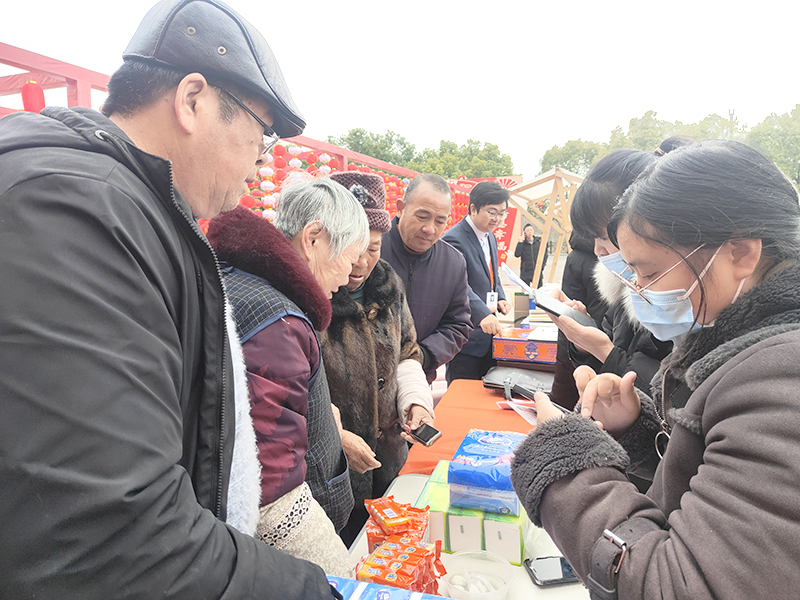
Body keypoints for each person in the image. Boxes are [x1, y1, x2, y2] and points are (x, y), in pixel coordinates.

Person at [0, 0, 341, 597]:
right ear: (192, 100)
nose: (261, 168)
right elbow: (109, 535)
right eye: (260, 137)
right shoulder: (74, 211)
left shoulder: (137, 209)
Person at [511, 139, 800, 599]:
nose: (639, 291)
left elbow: (677, 585)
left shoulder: (782, 380)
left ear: (742, 253)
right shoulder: (744, 348)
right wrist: (641, 430)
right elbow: (710, 487)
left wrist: (566, 462)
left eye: (649, 273)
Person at [207, 177, 367, 575]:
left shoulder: (237, 279)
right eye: (349, 259)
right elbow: (272, 494)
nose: (349, 278)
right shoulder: (275, 319)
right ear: (314, 239)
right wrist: (337, 577)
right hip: (285, 547)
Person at [320, 170, 436, 546]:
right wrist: (334, 438)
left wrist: (415, 401)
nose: (361, 262)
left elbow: (407, 351)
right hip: (332, 469)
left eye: (373, 248)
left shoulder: (388, 285)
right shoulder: (312, 293)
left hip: (388, 457)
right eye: (352, 249)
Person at [549, 147, 678, 402]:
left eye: (603, 236)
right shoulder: (623, 289)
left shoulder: (679, 298)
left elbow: (674, 400)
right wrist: (583, 343)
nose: (598, 250)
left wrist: (604, 351)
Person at [381, 173, 472, 383]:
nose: (430, 229)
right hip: (366, 382)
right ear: (401, 207)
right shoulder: (371, 250)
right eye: (422, 216)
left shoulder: (453, 262)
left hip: (419, 379)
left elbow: (458, 324)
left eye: (440, 221)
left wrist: (422, 355)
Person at [442, 180, 512, 383]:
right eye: (492, 212)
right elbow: (456, 285)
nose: (497, 219)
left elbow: (492, 274)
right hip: (467, 337)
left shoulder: (490, 237)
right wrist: (482, 313)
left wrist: (500, 296)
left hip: (489, 334)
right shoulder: (453, 239)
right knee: (462, 393)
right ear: (473, 208)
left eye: (502, 213)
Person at [550, 230, 609, 409]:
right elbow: (570, 327)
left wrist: (560, 398)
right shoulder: (581, 259)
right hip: (596, 357)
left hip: (604, 358)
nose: (599, 249)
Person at [515, 222, 548, 288]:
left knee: (538, 292)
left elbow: (545, 254)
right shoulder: (523, 243)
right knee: (525, 292)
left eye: (531, 230)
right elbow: (517, 254)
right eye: (527, 230)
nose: (529, 232)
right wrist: (520, 243)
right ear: (524, 232)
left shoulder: (538, 242)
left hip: (537, 271)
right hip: (526, 272)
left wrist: (542, 266)